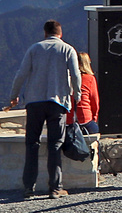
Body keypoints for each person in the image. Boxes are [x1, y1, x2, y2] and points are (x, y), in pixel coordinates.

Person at [6, 19, 82, 199]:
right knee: (55, 145)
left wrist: (13, 96)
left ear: (45, 33)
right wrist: (77, 95)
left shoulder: (34, 49)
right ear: (60, 33)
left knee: (32, 144)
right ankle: (55, 188)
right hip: (58, 103)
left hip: (34, 102)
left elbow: (21, 74)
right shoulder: (67, 49)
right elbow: (76, 74)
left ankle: (28, 187)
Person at [65, 52, 101, 134]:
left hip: (68, 121)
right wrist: (94, 119)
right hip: (85, 120)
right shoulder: (90, 79)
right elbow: (95, 102)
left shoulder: (66, 78)